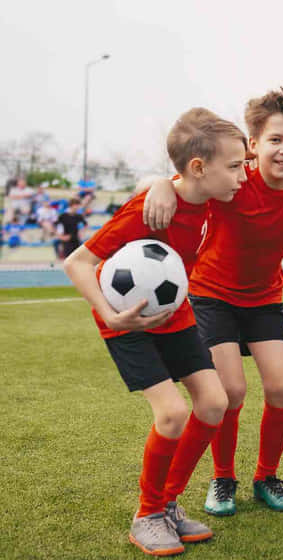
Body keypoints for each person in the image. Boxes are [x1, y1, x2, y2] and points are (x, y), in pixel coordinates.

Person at [142, 86, 283, 516]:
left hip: (265, 299)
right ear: (253, 145)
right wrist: (159, 182)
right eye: (275, 140)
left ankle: (267, 476)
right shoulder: (233, 178)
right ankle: (223, 478)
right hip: (213, 296)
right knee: (230, 391)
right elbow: (183, 179)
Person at [62, 107, 247, 555]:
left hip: (175, 312)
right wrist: (109, 313)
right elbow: (77, 262)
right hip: (126, 320)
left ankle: (168, 504)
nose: (244, 176)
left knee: (215, 402)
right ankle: (147, 514)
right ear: (200, 168)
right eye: (237, 166)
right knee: (172, 414)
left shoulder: (211, 195)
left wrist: (163, 178)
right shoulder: (150, 210)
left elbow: (264, 173)